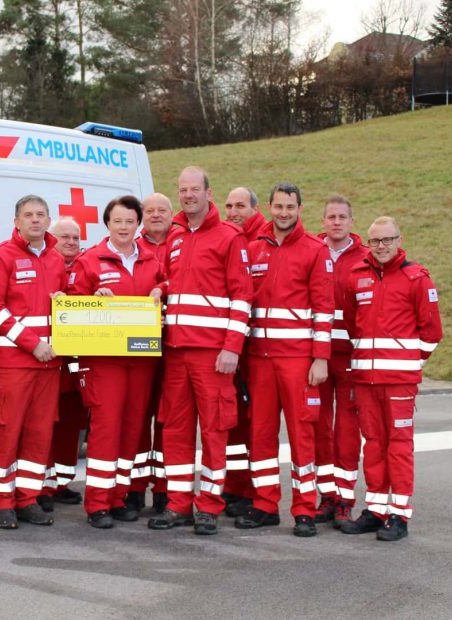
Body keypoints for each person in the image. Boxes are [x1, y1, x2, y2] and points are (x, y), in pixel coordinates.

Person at [148, 167, 252, 536]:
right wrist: (161, 288)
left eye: (195, 189)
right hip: (176, 352)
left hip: (213, 355)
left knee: (214, 430)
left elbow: (242, 295)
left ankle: (208, 505)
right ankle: (178, 504)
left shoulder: (229, 237)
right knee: (175, 430)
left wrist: (232, 348)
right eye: (183, 190)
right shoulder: (175, 237)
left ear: (209, 193)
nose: (188, 195)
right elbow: (176, 280)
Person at [238, 182, 333, 538]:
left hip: (297, 360)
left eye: (290, 207)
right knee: (260, 433)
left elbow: (324, 309)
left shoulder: (315, 250)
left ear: (299, 209)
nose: (283, 213)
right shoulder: (253, 248)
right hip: (259, 359)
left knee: (301, 435)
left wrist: (320, 358)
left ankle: (305, 509)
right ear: (269, 206)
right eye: (278, 206)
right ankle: (265, 504)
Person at [341, 216, 442, 541]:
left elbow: (432, 332)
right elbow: (351, 323)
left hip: (399, 381)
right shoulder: (357, 277)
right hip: (365, 379)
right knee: (373, 444)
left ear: (399, 240)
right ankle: (375, 509)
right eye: (375, 241)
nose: (381, 246)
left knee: (398, 446)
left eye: (387, 240)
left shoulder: (417, 278)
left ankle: (399, 515)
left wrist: (410, 362)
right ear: (368, 243)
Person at [69, 196, 165, 528]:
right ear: (107, 224)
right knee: (106, 428)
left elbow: (169, 282)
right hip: (104, 359)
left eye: (130, 221)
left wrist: (161, 290)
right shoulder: (90, 260)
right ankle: (97, 503)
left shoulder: (151, 259)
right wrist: (91, 299)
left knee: (132, 427)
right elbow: (71, 304)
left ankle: (119, 497)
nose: (124, 227)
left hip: (140, 356)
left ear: (138, 224)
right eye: (117, 221)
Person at [0, 195, 67, 529]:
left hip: (48, 365)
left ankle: (28, 498)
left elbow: (61, 307)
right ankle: (2, 502)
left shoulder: (56, 259)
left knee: (39, 434)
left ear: (48, 220)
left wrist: (66, 302)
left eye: (40, 214)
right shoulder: (1, 256)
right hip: (13, 364)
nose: (35, 220)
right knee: (7, 433)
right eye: (28, 215)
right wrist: (33, 345)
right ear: (16, 221)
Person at [315, 195, 367, 527]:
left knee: (347, 430)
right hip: (317, 357)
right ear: (323, 221)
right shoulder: (312, 251)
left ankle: (345, 499)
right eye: (331, 217)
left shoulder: (365, 257)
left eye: (342, 217)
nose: (336, 222)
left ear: (351, 221)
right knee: (319, 426)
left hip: (349, 357)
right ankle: (326, 496)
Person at [128, 192, 173, 513]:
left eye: (162, 210)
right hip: (137, 348)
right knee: (137, 419)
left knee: (170, 422)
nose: (156, 215)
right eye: (150, 210)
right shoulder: (131, 246)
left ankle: (164, 488)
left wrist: (164, 287)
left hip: (174, 347)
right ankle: (134, 487)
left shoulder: (183, 243)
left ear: (172, 214)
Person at [39, 217, 87, 509]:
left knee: (71, 425)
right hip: (48, 359)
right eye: (64, 237)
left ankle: (62, 482)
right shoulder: (45, 265)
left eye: (75, 237)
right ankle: (43, 485)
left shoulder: (88, 266)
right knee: (45, 424)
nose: (70, 242)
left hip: (76, 363)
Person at [220, 186, 263, 517]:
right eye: (229, 206)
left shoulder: (264, 241)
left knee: (255, 424)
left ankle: (254, 490)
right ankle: (235, 486)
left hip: (258, 350)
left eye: (240, 206)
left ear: (254, 209)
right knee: (232, 422)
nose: (233, 212)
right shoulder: (226, 238)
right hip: (232, 347)